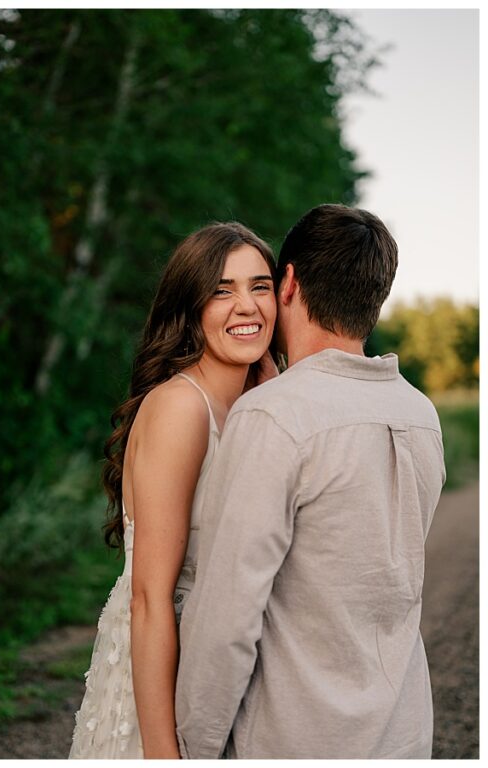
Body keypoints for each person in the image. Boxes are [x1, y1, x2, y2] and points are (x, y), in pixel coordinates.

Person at [175, 205, 445, 759]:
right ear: (374, 297)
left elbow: (227, 618)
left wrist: (195, 748)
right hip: (403, 735)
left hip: (293, 737)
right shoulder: (422, 415)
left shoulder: (273, 417)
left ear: (289, 282)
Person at [69, 222, 278, 758]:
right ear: (191, 307)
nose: (247, 306)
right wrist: (164, 754)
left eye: (260, 286)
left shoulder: (259, 403)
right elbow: (149, 598)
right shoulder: (182, 407)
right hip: (165, 675)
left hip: (224, 671)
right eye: (222, 290)